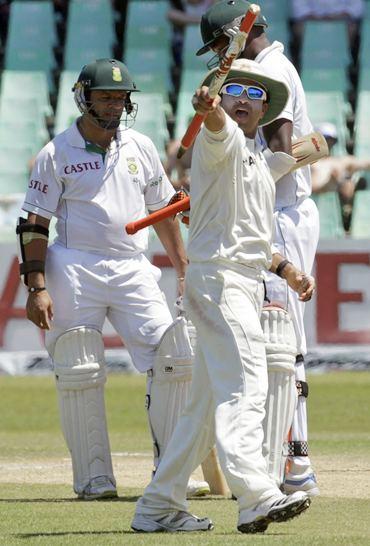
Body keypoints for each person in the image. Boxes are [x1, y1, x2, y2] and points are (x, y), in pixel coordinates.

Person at [131, 59, 315, 534]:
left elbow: (252, 235)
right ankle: (256, 495)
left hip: (238, 279)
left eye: (255, 95)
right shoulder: (225, 141)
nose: (243, 100)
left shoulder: (256, 161)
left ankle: (157, 506)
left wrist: (288, 269)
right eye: (234, 89)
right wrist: (209, 109)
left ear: (266, 109)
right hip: (221, 282)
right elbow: (215, 124)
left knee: (204, 412)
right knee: (248, 386)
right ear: (219, 95)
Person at [16, 58, 208, 500]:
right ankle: (93, 478)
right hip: (74, 265)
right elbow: (33, 224)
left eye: (121, 97)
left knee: (174, 357)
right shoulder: (56, 153)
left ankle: (171, 470)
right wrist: (37, 287)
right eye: (105, 96)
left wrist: (182, 268)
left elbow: (166, 212)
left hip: (132, 266)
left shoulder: (140, 146)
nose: (115, 104)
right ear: (84, 97)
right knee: (79, 366)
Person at [196, 0, 320, 496]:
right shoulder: (267, 65)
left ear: (236, 33)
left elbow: (280, 152)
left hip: (278, 213)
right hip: (267, 209)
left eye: (218, 45)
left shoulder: (267, 70)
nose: (216, 57)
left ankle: (296, 464)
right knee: (273, 342)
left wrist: (228, 186)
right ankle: (290, 463)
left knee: (281, 343)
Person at [312, 122, 370, 232]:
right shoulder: (309, 165)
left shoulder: (340, 162)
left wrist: (340, 180)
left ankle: (347, 214)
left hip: (335, 208)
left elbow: (364, 164)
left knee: (347, 181)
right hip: (311, 211)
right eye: (324, 139)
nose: (327, 143)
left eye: (331, 140)